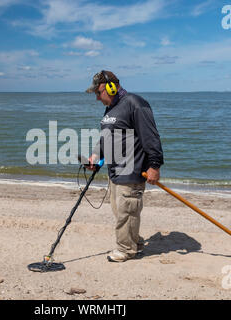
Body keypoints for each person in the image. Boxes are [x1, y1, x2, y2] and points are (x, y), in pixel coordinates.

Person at [85, 70, 164, 262]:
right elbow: (107, 136)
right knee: (123, 213)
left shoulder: (136, 104)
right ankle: (134, 242)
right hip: (115, 172)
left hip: (132, 170)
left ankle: (125, 250)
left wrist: (154, 165)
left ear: (111, 87)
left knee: (127, 212)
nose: (97, 98)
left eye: (98, 93)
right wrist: (96, 155)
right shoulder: (111, 108)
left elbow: (151, 137)